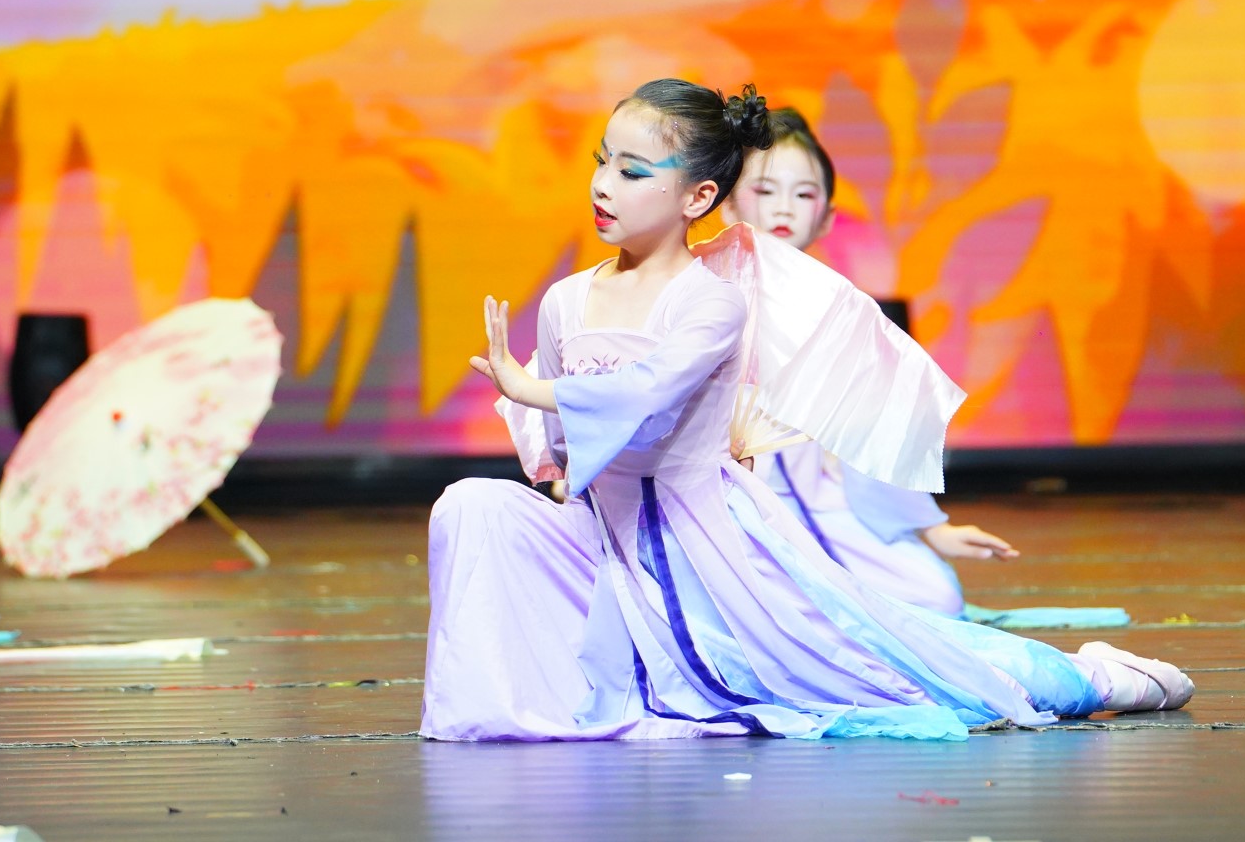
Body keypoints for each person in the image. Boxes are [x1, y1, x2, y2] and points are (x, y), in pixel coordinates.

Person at [422, 78, 1190, 742]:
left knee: (895, 663)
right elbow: (565, 449)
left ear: (698, 197)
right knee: (472, 505)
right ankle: (497, 706)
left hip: (708, 543)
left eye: (631, 171)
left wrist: (528, 387)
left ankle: (1098, 678)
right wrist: (550, 429)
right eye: (601, 162)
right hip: (609, 541)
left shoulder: (712, 302)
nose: (603, 184)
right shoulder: (566, 300)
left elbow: (646, 394)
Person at [721, 110, 1128, 629]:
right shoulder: (705, 291)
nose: (784, 207)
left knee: (934, 596)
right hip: (718, 500)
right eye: (765, 190)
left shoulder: (840, 311)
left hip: (815, 503)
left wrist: (931, 530)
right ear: (726, 202)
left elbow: (868, 441)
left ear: (826, 216)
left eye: (804, 194)